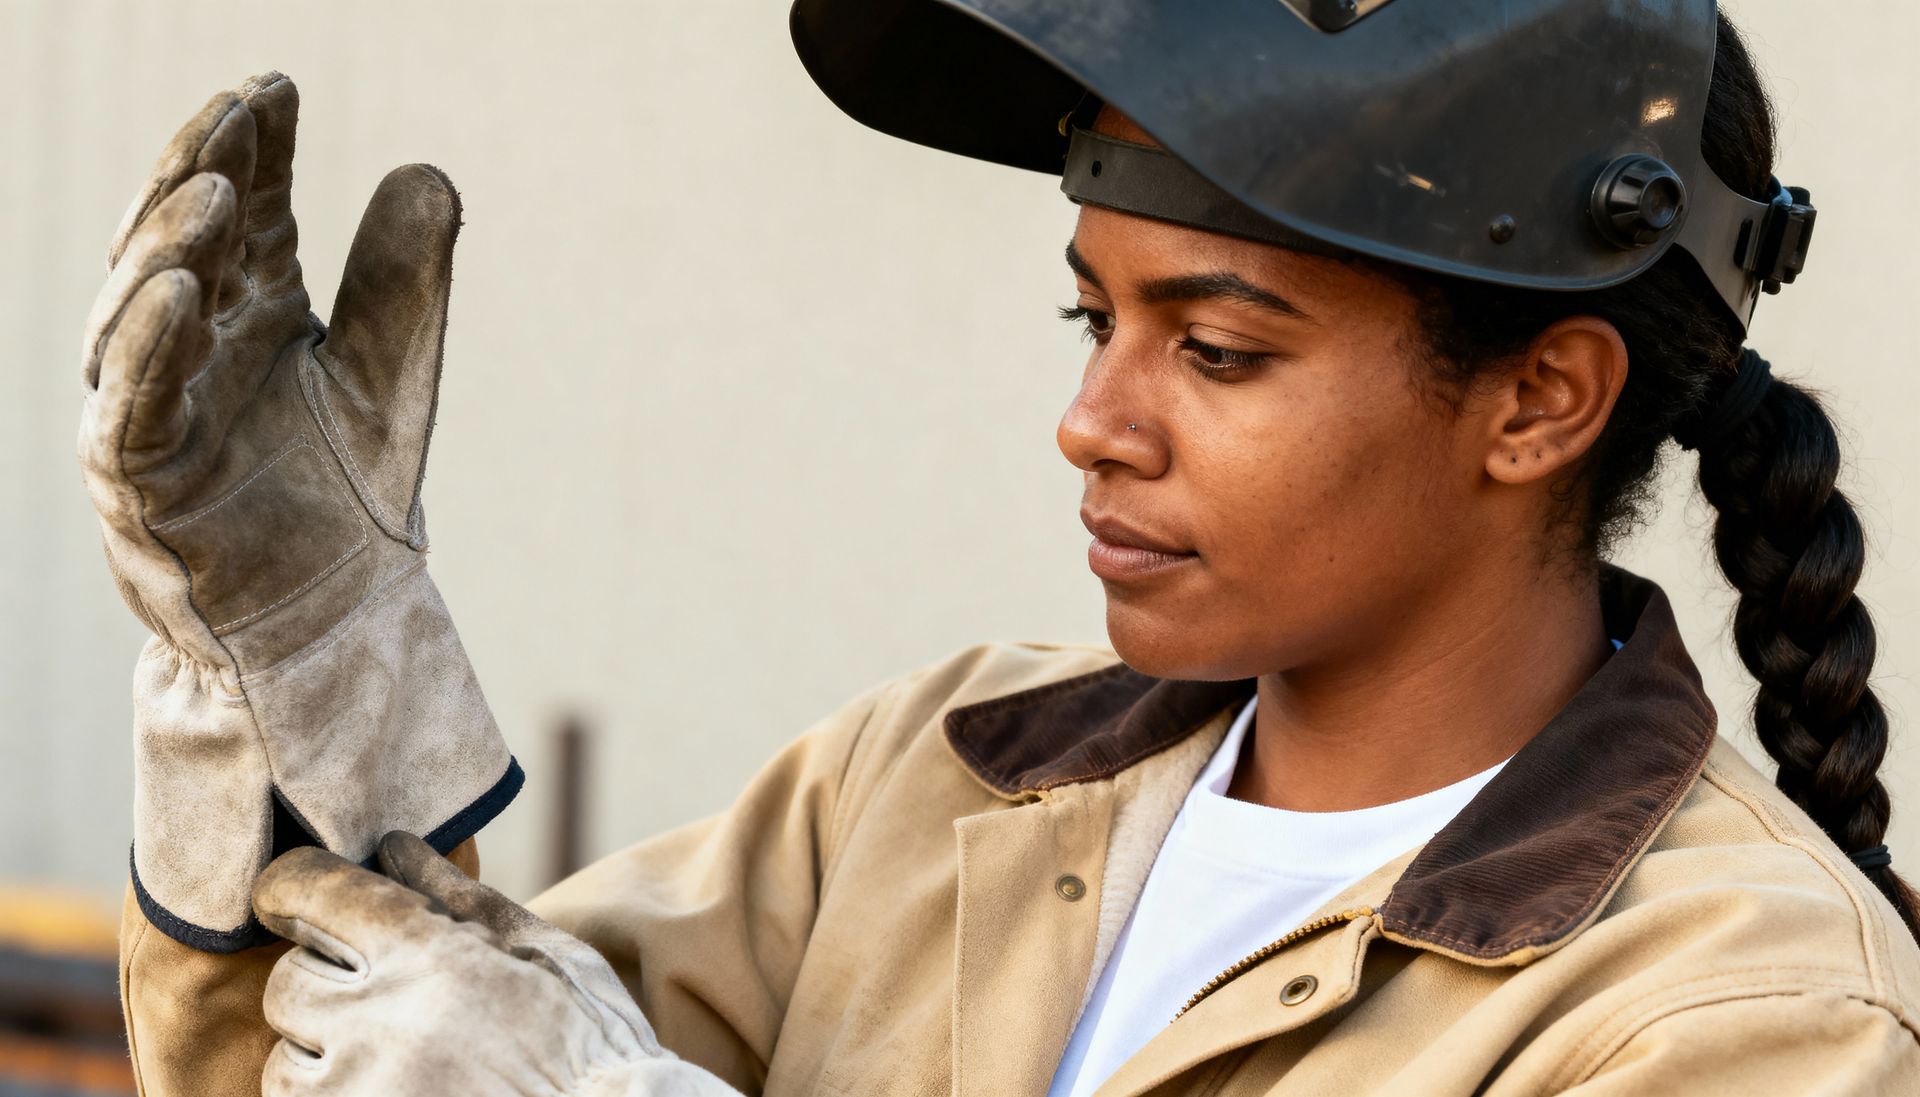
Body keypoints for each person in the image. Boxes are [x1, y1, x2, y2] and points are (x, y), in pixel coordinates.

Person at [80, 1, 1920, 1094]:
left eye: (1216, 347)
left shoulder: (1740, 1011)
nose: (1097, 418)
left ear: (1541, 401)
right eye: (1089, 323)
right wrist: (303, 692)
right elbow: (361, 1060)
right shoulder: (941, 773)